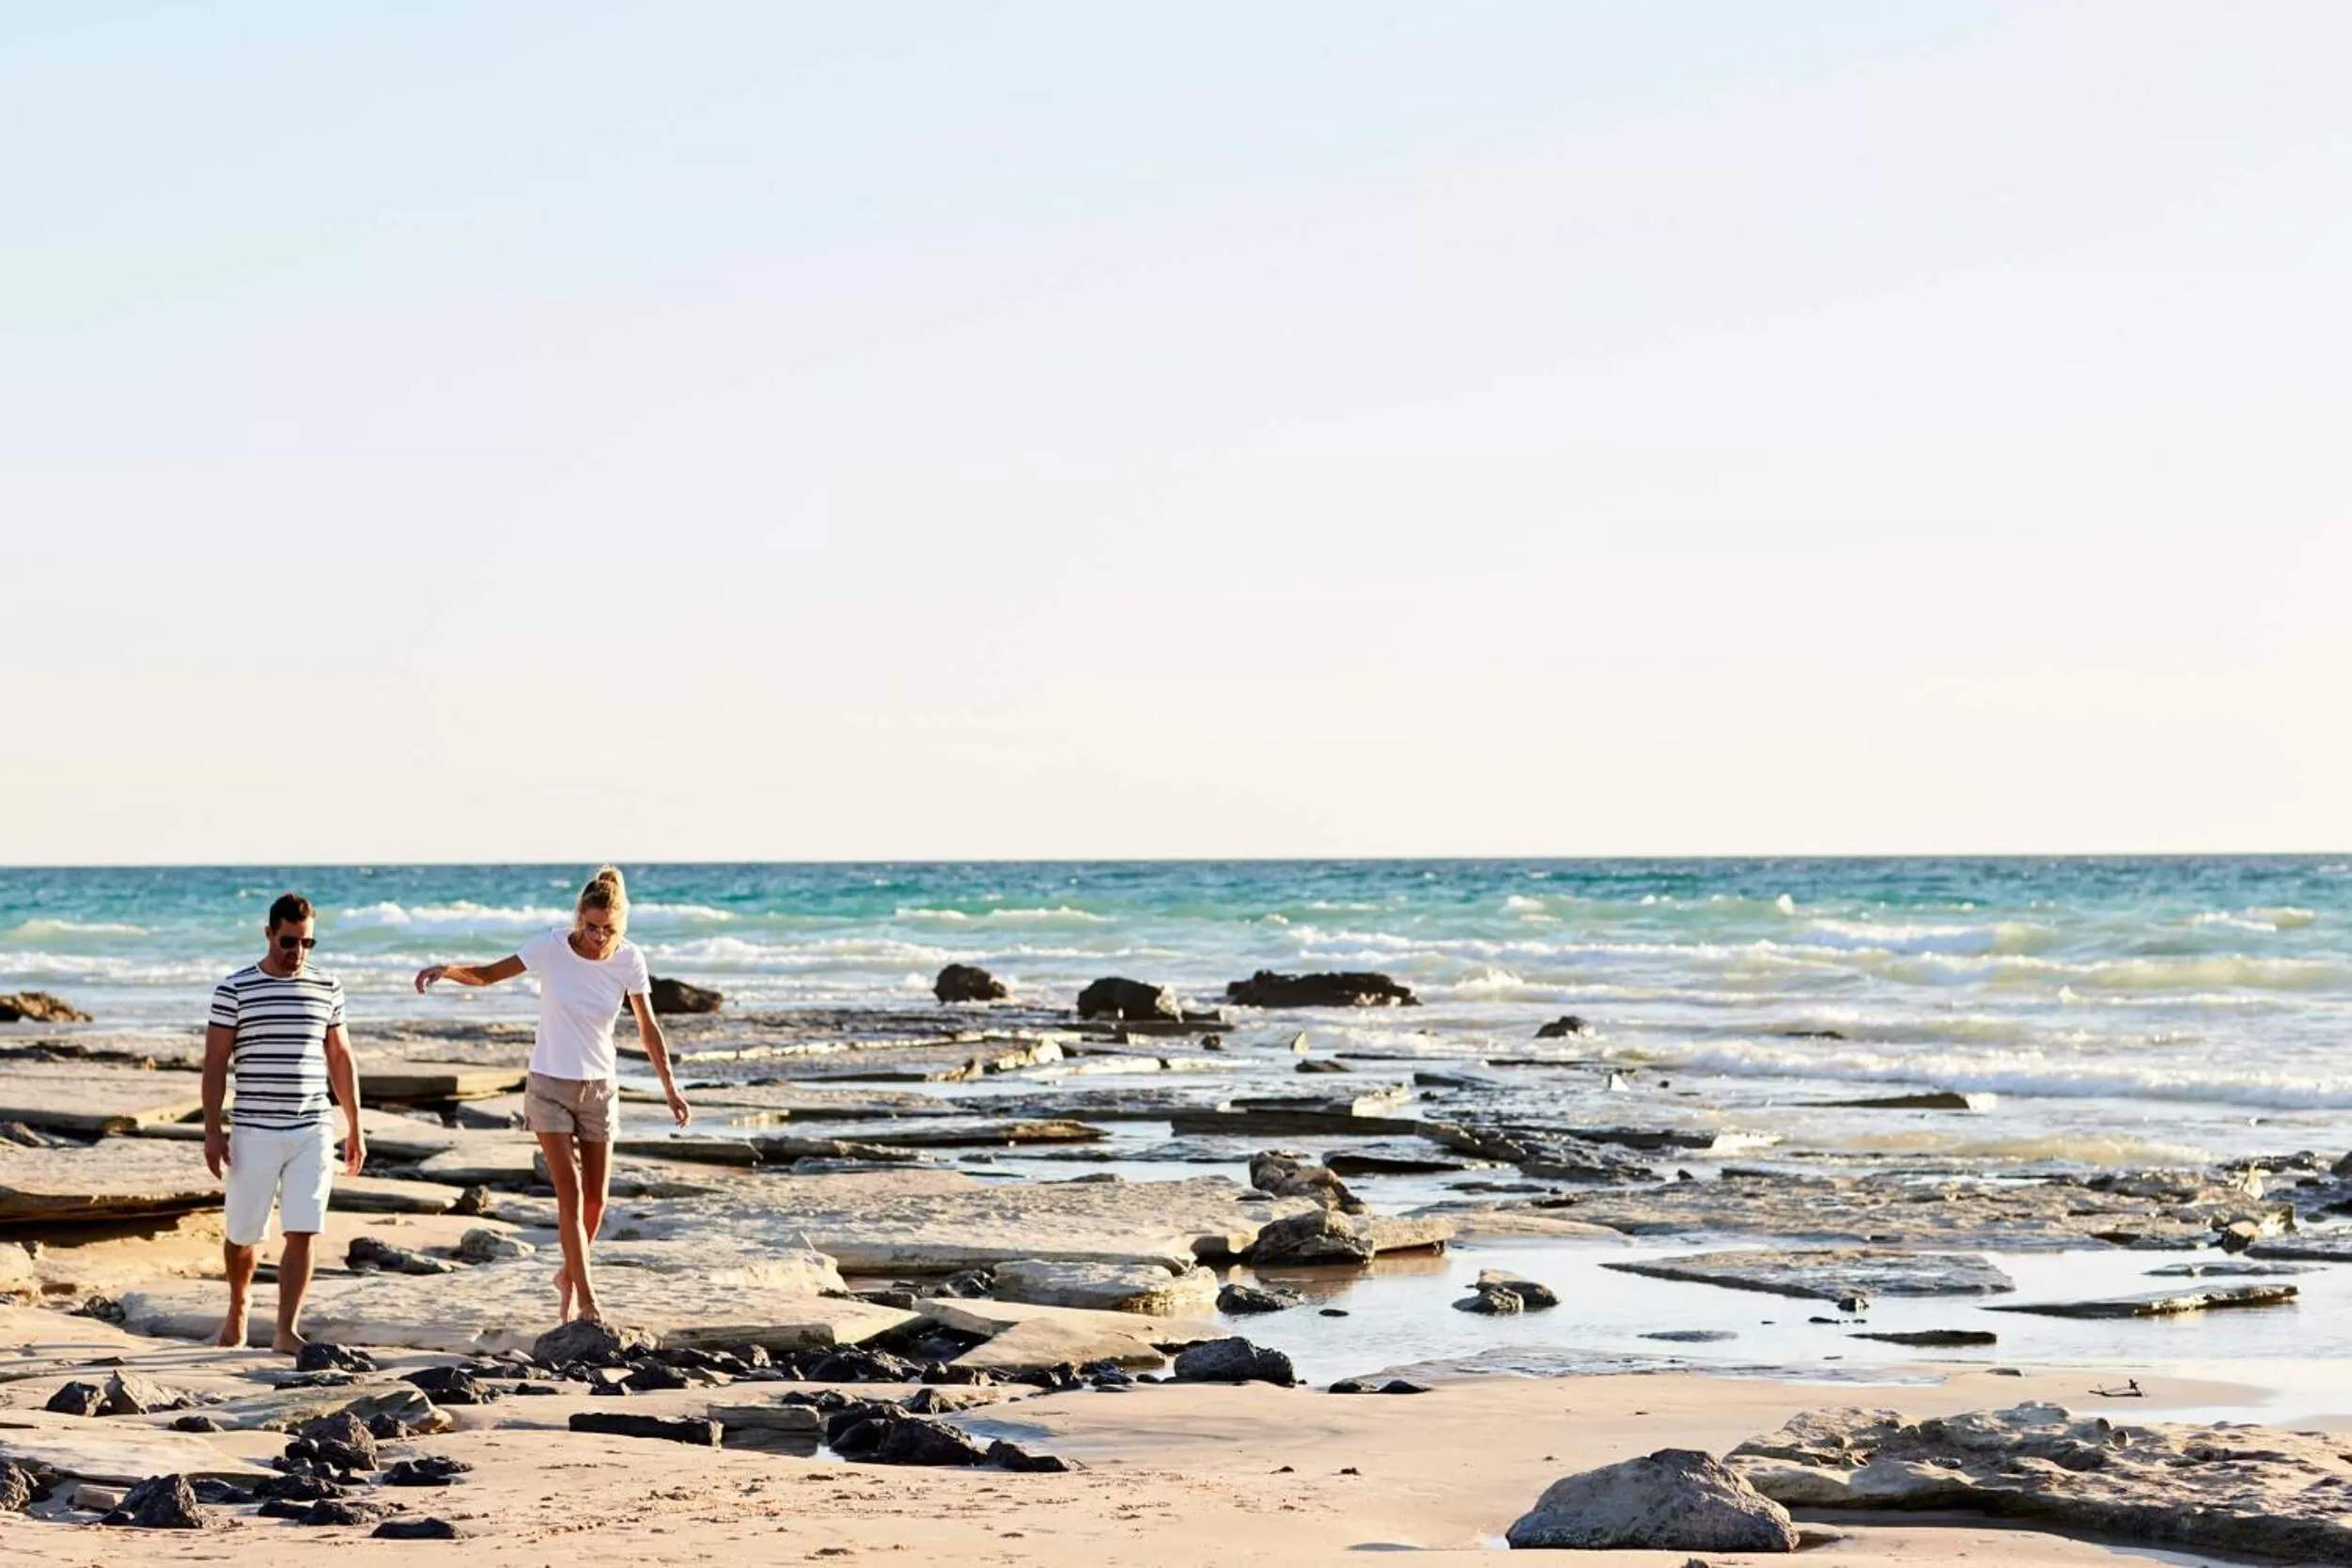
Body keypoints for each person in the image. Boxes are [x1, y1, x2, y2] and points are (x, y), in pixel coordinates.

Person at [413, 866, 690, 1326]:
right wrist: (448, 970)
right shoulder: (551, 946)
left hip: (600, 1088)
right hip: (548, 1085)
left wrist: (671, 1089)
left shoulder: (630, 958)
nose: (599, 937)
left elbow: (648, 1028)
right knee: (571, 1192)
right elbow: (488, 975)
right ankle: (588, 1299)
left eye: (608, 929)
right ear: (578, 918)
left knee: (597, 1201)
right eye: (591, 927)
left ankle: (567, 1276)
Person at [202, 893, 366, 1353]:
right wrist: (212, 1130)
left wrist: (354, 1124)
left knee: (304, 1227)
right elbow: (215, 1062)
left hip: (312, 1126)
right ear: (269, 933)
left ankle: (284, 1330)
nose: (298, 952)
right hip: (253, 1128)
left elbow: (340, 1055)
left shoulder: (327, 987)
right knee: (242, 1233)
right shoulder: (234, 988)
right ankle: (238, 1308)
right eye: (290, 942)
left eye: (307, 943)